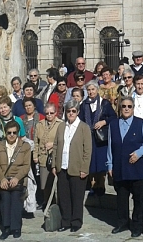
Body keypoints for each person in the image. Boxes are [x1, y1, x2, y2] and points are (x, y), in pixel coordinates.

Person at [107, 96, 143, 238]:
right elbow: (110, 146)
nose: (126, 109)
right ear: (120, 108)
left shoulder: (140, 123)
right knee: (121, 197)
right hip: (120, 167)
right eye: (124, 106)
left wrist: (139, 153)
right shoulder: (113, 125)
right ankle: (122, 222)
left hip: (137, 167)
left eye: (129, 106)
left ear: (133, 108)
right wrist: (110, 164)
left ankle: (138, 226)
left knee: (139, 199)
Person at [52, 99, 92, 233]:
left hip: (77, 168)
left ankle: (76, 221)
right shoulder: (61, 127)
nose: (71, 113)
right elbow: (56, 146)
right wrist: (54, 165)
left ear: (78, 112)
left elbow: (87, 150)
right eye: (68, 111)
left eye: (73, 111)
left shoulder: (84, 128)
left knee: (76, 197)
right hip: (62, 167)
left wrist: (85, 169)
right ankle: (66, 221)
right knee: (63, 197)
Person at [0, 120, 31, 240]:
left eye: (14, 132)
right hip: (3, 178)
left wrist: (17, 178)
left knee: (16, 201)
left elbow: (26, 166)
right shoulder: (0, 146)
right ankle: (6, 227)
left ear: (18, 133)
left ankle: (16, 227)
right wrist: (2, 179)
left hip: (17, 179)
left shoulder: (25, 146)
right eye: (9, 132)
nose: (12, 135)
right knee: (5, 202)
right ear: (5, 133)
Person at [79, 80, 117, 196]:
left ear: (97, 90)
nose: (91, 92)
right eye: (89, 90)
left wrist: (104, 122)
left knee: (101, 163)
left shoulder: (104, 103)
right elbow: (80, 120)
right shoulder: (83, 105)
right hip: (88, 137)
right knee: (90, 162)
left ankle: (101, 186)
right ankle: (92, 185)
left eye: (93, 89)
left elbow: (113, 117)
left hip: (101, 139)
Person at [33, 102, 63, 209]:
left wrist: (53, 144)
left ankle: (59, 205)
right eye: (47, 113)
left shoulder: (61, 124)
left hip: (56, 157)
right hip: (43, 157)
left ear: (55, 113)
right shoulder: (39, 125)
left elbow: (64, 141)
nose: (49, 115)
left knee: (58, 183)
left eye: (51, 113)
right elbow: (36, 141)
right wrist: (35, 155)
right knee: (45, 184)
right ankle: (49, 204)